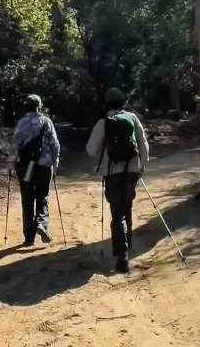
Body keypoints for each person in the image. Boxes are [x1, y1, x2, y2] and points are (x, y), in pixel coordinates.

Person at [86, 87, 149, 273]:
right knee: (126, 206)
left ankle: (122, 255)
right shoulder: (132, 118)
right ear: (123, 102)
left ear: (107, 103)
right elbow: (143, 143)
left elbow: (90, 149)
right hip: (131, 170)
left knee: (117, 213)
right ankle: (127, 242)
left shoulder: (103, 122)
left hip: (112, 172)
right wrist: (142, 165)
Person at [9, 93, 60, 247]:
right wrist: (55, 161)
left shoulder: (21, 123)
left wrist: (11, 164)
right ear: (39, 107)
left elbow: (15, 144)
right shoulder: (47, 122)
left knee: (27, 199)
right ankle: (41, 224)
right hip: (44, 166)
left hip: (24, 167)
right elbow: (55, 144)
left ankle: (28, 238)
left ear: (26, 106)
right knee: (42, 196)